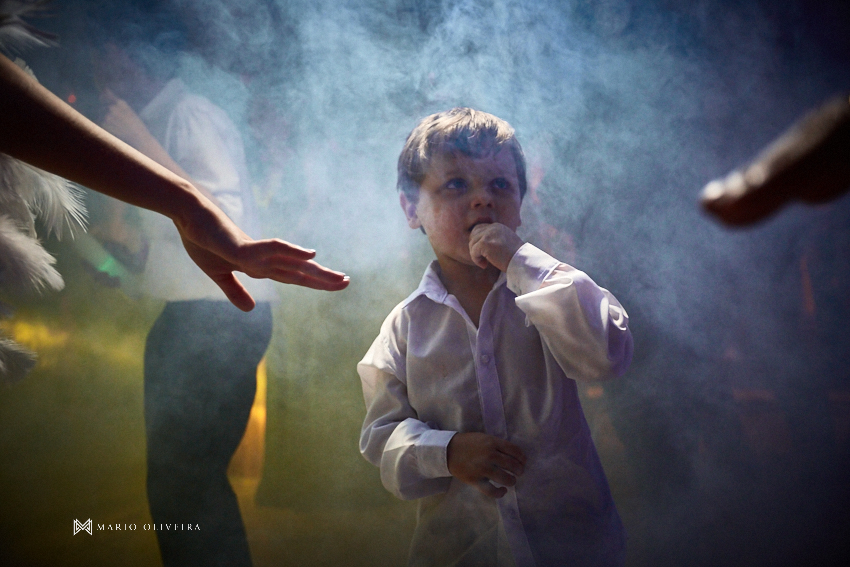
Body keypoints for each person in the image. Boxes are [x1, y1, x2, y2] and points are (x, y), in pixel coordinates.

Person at [358, 108, 634, 567]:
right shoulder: (404, 327)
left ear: (521, 206)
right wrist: (445, 452)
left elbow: (607, 355)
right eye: (456, 185)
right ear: (411, 210)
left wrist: (524, 262)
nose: (482, 200)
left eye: (500, 186)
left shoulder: (551, 288)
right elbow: (381, 441)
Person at [0, 51, 349, 311]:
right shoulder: (154, 120)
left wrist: (142, 141)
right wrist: (123, 249)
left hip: (216, 309)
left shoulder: (188, 112)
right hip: (195, 305)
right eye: (97, 73)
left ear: (138, 62)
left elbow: (225, 213)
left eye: (110, 69)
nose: (102, 85)